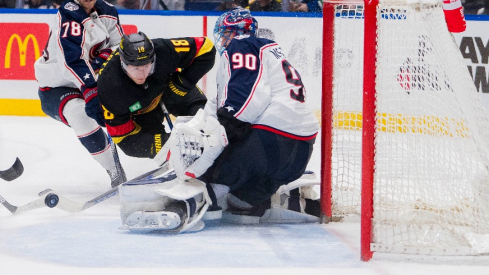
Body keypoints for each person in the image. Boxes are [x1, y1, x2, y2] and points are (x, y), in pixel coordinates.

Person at [149, 8, 320, 228]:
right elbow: (216, 104)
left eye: (226, 33)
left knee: (210, 172)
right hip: (301, 150)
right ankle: (286, 202)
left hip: (270, 140)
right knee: (238, 200)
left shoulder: (242, 45)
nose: (224, 39)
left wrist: (220, 136)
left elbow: (249, 95)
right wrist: (195, 126)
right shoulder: (268, 51)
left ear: (235, 32)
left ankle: (189, 204)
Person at [34, 0, 126, 188]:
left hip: (92, 80)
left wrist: (103, 58)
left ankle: (159, 152)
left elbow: (121, 47)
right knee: (79, 113)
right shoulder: (68, 16)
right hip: (57, 87)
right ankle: (113, 169)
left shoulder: (108, 12)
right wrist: (91, 89)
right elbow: (71, 62)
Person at [96, 31, 215, 159]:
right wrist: (173, 145)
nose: (142, 75)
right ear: (122, 62)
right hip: (143, 114)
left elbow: (206, 48)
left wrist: (182, 84)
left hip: (170, 89)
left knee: (206, 120)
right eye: (135, 69)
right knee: (150, 146)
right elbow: (124, 138)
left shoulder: (163, 50)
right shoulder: (110, 87)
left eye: (147, 66)